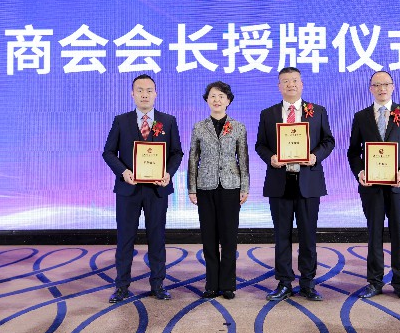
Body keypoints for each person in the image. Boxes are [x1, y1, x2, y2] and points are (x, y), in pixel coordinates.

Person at [255, 67, 335, 301]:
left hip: (308, 182)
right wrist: (271, 157)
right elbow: (260, 145)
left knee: (308, 236)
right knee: (281, 236)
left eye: (294, 80)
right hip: (279, 182)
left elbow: (328, 141)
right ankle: (284, 283)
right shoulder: (268, 114)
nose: (290, 84)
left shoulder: (318, 111)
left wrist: (315, 156)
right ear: (279, 86)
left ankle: (308, 283)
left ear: (302, 84)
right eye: (285, 81)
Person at [103, 74, 184, 302]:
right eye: (140, 90)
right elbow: (108, 152)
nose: (145, 94)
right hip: (128, 189)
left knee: (157, 238)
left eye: (149, 90)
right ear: (132, 94)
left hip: (157, 189)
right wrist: (123, 172)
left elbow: (177, 153)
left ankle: (158, 285)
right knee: (125, 238)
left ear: (155, 94)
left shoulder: (168, 121)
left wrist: (168, 173)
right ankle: (121, 286)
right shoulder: (122, 121)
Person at [347, 71, 400, 300]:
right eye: (377, 85)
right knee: (374, 234)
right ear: (370, 89)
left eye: (386, 84)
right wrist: (360, 172)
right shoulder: (361, 117)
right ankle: (374, 282)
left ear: (393, 87)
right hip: (371, 186)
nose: (382, 88)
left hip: (398, 185)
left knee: (398, 233)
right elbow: (353, 152)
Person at [188, 81, 249, 300]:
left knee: (229, 238)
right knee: (209, 238)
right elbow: (193, 158)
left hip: (231, 186)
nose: (217, 100)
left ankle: (228, 284)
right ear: (207, 100)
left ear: (228, 101)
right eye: (213, 96)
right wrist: (192, 188)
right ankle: (211, 284)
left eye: (221, 96)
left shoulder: (238, 127)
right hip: (205, 186)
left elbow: (243, 158)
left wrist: (245, 186)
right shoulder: (199, 127)